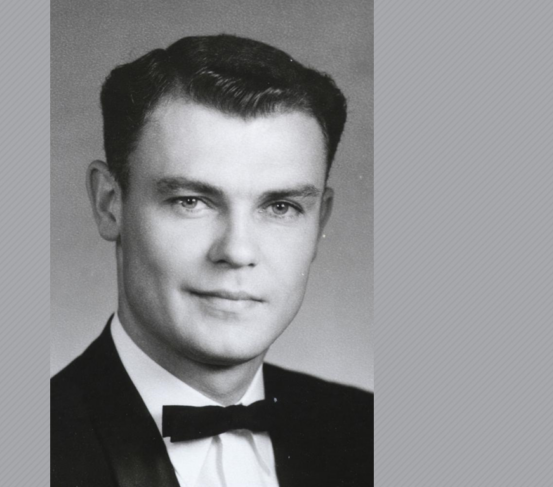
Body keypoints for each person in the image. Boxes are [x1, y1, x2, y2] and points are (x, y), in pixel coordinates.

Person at [51, 34, 373, 487]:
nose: (237, 251)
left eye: (280, 207)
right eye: (191, 201)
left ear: (320, 220)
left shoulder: (368, 435)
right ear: (109, 204)